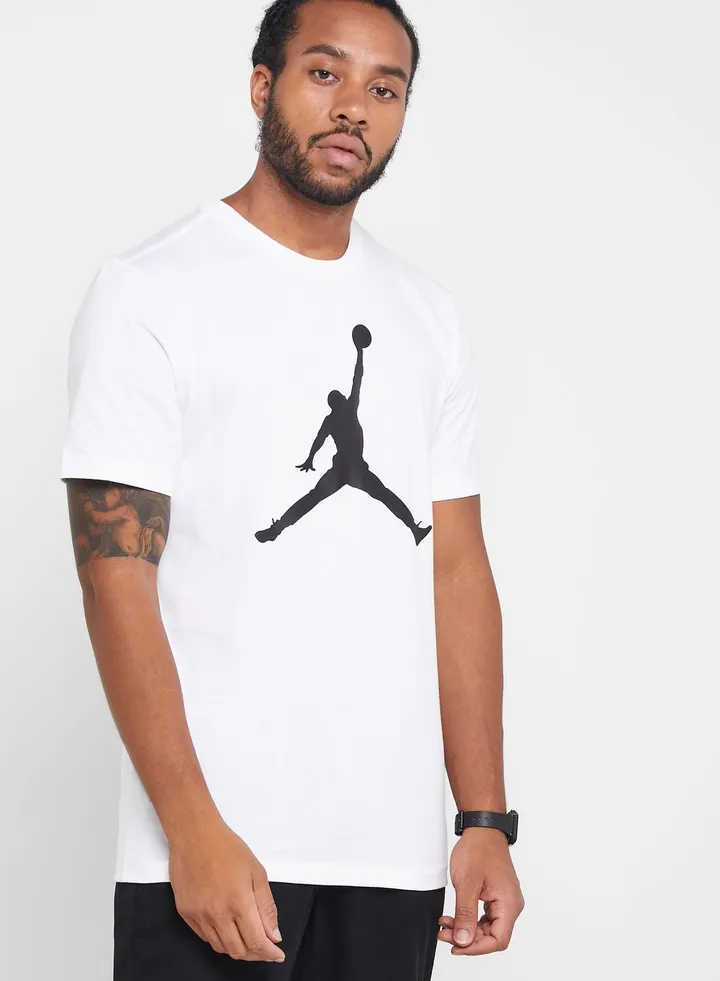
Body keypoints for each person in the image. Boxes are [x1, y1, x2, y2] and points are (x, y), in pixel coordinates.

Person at [61, 0, 525, 978]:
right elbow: (114, 576)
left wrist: (484, 815)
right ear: (262, 86)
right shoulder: (151, 290)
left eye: (385, 88)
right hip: (214, 849)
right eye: (325, 73)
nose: (355, 106)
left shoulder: (428, 316)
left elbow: (455, 572)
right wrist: (191, 826)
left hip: (392, 858)